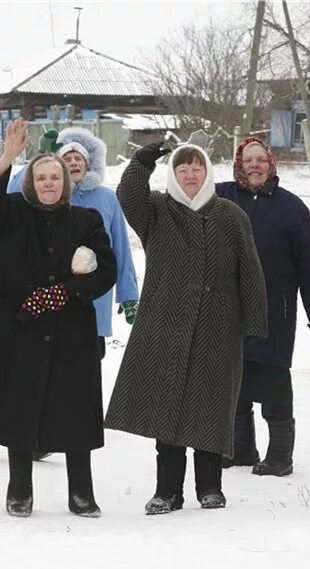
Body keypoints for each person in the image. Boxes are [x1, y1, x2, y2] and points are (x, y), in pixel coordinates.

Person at [0, 119, 117, 518]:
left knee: (75, 410)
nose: (48, 183)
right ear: (31, 182)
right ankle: (19, 489)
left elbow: (106, 269)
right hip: (19, 330)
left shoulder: (87, 221)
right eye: (41, 177)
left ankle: (81, 492)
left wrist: (64, 292)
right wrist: (9, 157)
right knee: (20, 406)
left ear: (66, 182)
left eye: (55, 177)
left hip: (71, 332)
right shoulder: (10, 214)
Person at [104, 141, 267, 515]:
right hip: (165, 324)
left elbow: (250, 270)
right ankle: (167, 491)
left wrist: (255, 319)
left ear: (208, 172)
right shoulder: (157, 211)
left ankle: (210, 487)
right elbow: (127, 196)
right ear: (173, 175)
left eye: (197, 168)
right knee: (167, 406)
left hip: (218, 325)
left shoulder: (230, 215)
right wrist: (142, 162)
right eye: (182, 169)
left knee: (210, 406)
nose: (190, 175)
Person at [215, 137, 310, 477]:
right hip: (230, 311)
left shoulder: (291, 207)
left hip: (275, 312)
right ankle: (240, 449)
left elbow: (308, 267)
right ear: (239, 164)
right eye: (248, 160)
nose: (255, 166)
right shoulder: (222, 197)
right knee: (233, 377)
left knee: (272, 381)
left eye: (261, 160)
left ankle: (280, 456)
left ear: (271, 165)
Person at [7, 127, 139, 359]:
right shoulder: (47, 197)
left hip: (93, 295)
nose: (74, 162)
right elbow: (13, 192)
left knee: (87, 364)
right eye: (66, 158)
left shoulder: (106, 198)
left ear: (89, 164)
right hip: (49, 296)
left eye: (79, 158)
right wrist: (40, 157)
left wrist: (128, 295)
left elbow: (120, 248)